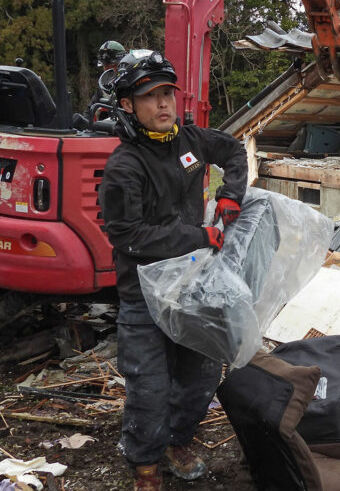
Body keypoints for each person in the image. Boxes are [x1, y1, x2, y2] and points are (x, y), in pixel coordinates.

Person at [97, 49, 248, 491]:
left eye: (168, 93)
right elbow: (129, 236)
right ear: (128, 105)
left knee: (199, 379)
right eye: (150, 97)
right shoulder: (124, 167)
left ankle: (177, 440)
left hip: (192, 288)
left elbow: (234, 150)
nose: (164, 104)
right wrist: (198, 238)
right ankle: (145, 464)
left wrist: (230, 193)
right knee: (149, 389)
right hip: (143, 295)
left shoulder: (192, 141)